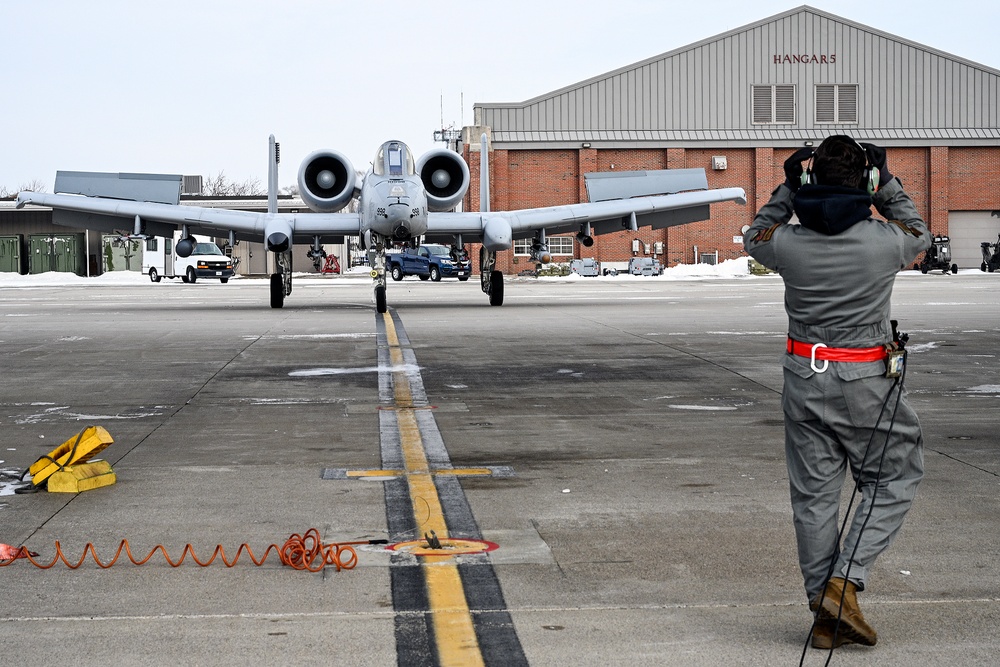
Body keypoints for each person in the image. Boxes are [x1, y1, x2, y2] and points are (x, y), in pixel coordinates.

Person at [743, 136, 930, 650]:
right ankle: (843, 583)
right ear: (866, 185)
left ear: (809, 182)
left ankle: (823, 615)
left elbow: (753, 234)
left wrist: (788, 186)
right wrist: (886, 183)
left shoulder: (785, 243)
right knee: (895, 474)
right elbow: (922, 233)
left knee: (814, 497)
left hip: (803, 377)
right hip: (867, 379)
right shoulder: (886, 240)